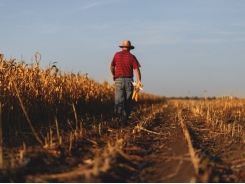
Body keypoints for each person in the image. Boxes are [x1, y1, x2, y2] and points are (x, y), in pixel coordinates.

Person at [110, 40, 141, 125]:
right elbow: (137, 70)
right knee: (128, 102)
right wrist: (138, 83)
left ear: (122, 47)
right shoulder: (132, 57)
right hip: (129, 81)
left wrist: (113, 75)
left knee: (118, 101)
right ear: (129, 48)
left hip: (118, 80)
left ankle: (119, 117)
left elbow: (112, 67)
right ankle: (125, 120)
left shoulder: (116, 55)